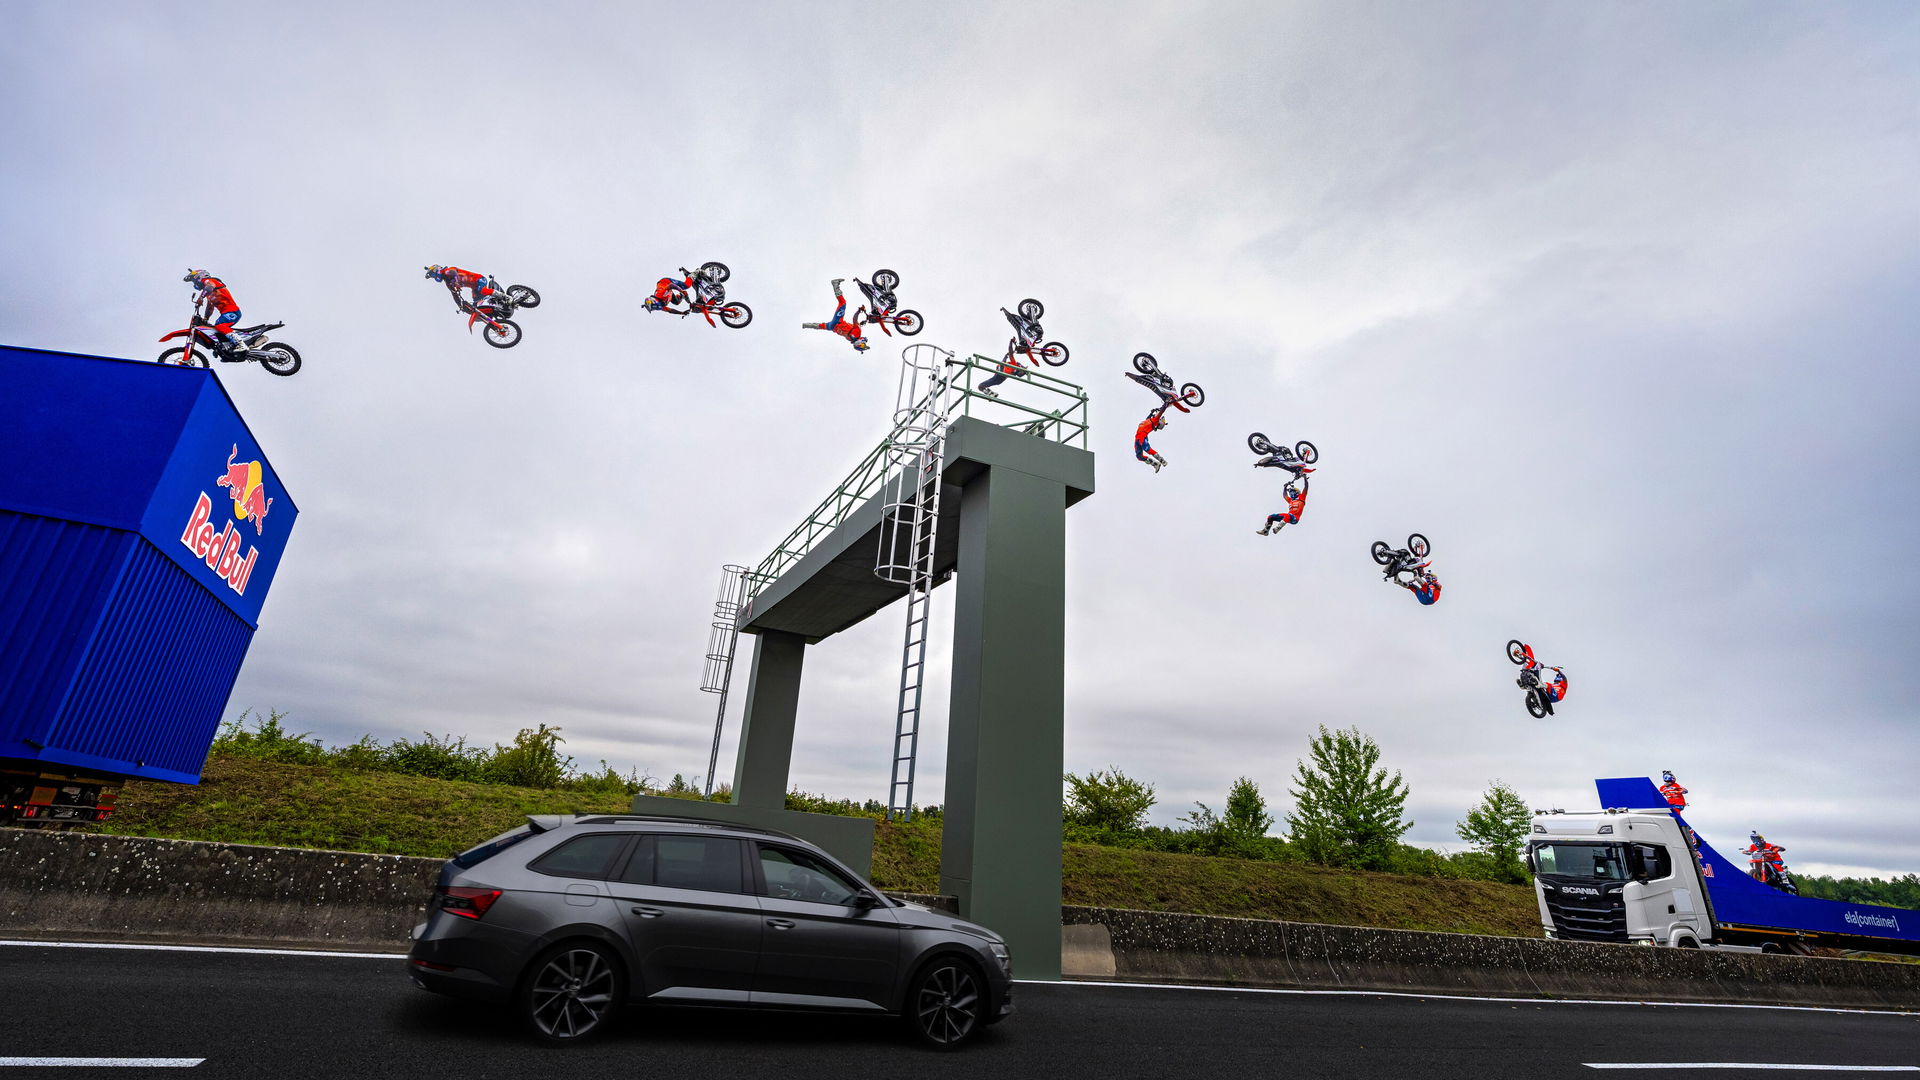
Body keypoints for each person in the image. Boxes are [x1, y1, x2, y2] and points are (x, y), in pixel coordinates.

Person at [183, 269, 247, 351]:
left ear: (198, 276)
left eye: (193, 280)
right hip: (226, 313)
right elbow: (210, 307)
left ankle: (240, 344)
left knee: (220, 325)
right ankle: (228, 347)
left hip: (232, 312)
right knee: (215, 329)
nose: (194, 283)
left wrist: (201, 297)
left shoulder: (209, 281)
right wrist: (206, 318)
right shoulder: (210, 294)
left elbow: (209, 287)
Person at [801, 279, 871, 353]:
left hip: (837, 321)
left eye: (863, 345)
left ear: (859, 344)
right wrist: (860, 324)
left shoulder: (857, 333)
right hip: (832, 327)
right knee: (817, 326)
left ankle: (835, 284)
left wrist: (859, 311)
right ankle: (804, 325)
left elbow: (854, 319)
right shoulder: (850, 339)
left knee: (843, 302)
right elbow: (852, 327)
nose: (864, 343)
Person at [425, 265, 497, 311]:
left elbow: (454, 273)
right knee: (476, 305)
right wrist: (461, 306)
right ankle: (494, 311)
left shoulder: (447, 271)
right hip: (474, 288)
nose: (435, 278)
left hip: (479, 279)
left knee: (481, 290)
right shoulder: (448, 283)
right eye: (433, 277)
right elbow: (455, 295)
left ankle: (501, 295)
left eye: (433, 275)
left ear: (437, 270)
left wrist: (456, 282)